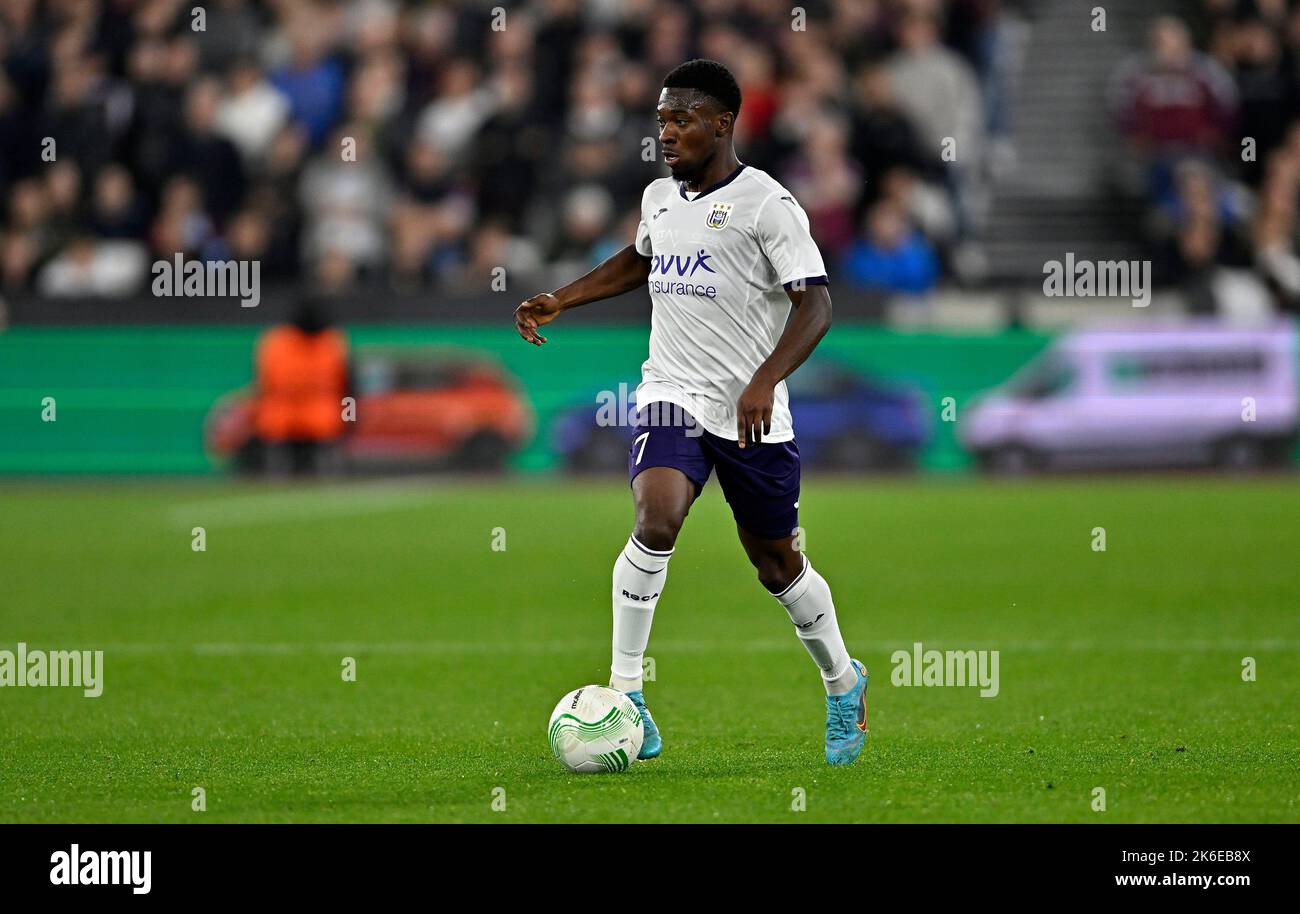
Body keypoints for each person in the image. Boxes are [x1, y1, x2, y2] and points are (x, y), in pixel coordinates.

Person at [514, 59, 868, 767]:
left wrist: (766, 380)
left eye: (682, 120)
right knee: (656, 517)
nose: (667, 133)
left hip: (750, 413)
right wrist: (562, 297)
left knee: (777, 565)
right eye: (661, 121)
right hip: (670, 392)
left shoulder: (768, 205)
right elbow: (640, 261)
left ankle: (842, 681)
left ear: (723, 123)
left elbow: (817, 302)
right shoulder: (659, 197)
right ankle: (629, 696)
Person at [253, 295, 350, 475]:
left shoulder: (275, 341)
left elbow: (262, 385)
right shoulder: (333, 343)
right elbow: (348, 391)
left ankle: (277, 472)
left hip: (291, 415)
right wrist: (349, 420)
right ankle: (328, 473)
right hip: (313, 415)